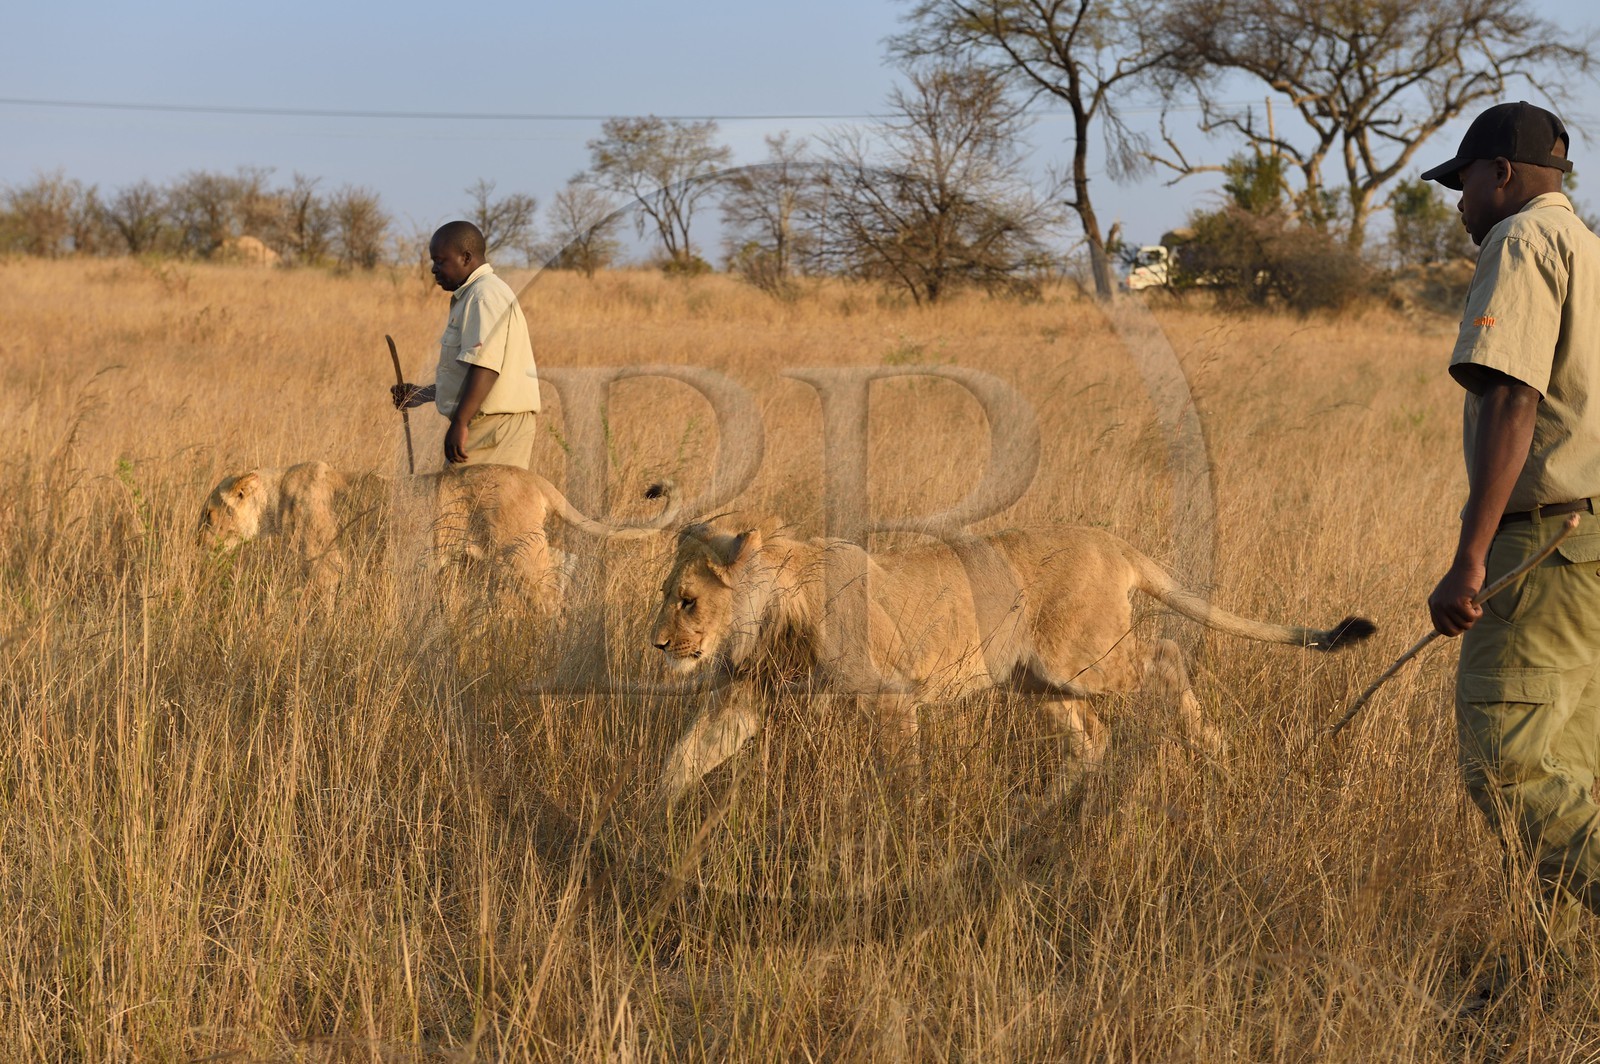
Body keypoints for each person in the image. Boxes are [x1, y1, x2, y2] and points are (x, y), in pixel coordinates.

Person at [1421, 101, 1600, 982]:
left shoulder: (1522, 242)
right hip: (1594, 543)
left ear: (1500, 173)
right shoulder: (1593, 249)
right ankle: (1550, 984)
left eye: (1462, 184)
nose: (1459, 205)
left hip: (1546, 551)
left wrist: (1470, 558)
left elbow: (1513, 400)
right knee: (1573, 772)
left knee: (1508, 765)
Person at [391, 220, 541, 467]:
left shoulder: (483, 296)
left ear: (466, 257)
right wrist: (420, 394)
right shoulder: (473, 294)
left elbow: (486, 367)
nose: (433, 270)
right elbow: (468, 373)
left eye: (440, 261)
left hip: (493, 427)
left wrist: (459, 422)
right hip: (488, 423)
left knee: (462, 503)